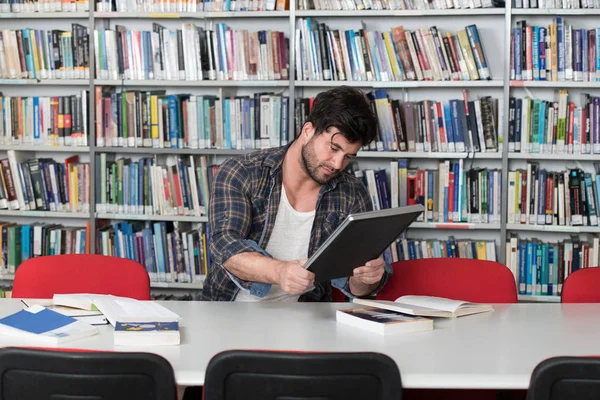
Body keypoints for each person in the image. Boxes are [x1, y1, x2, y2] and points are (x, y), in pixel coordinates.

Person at [199, 86, 392, 302]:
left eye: (348, 156)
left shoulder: (352, 193)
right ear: (308, 130)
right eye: (333, 148)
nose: (338, 164)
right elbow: (224, 244)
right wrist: (279, 271)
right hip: (229, 311)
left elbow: (355, 287)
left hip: (308, 316)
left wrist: (366, 279)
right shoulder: (242, 171)